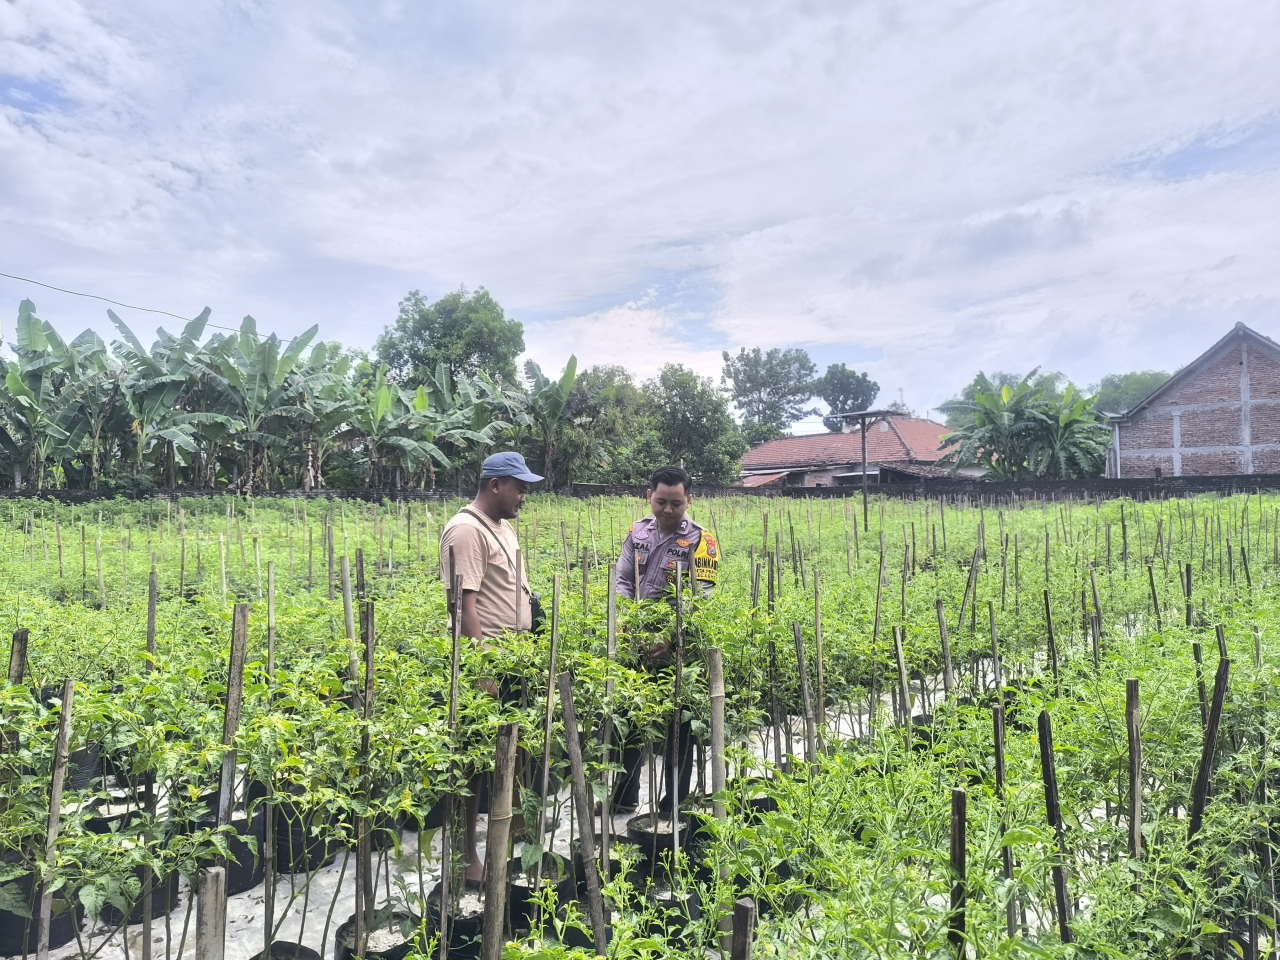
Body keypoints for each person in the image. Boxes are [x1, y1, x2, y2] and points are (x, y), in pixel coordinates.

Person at [439, 450, 541, 885]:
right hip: (487, 665)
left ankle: (513, 825)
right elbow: (463, 606)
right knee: (473, 764)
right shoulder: (465, 531)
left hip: (513, 661)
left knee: (513, 750)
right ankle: (466, 857)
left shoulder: (502, 528)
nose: (524, 496)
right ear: (495, 484)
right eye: (519, 487)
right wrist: (481, 671)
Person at [611, 464, 719, 813]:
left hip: (679, 650)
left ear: (689, 500)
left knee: (679, 725)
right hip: (635, 643)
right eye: (661, 502)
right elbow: (623, 580)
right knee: (629, 718)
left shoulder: (703, 540)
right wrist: (627, 619)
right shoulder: (637, 533)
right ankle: (624, 798)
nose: (668, 510)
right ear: (649, 497)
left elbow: (701, 596)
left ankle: (673, 802)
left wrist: (671, 637)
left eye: (676, 503)